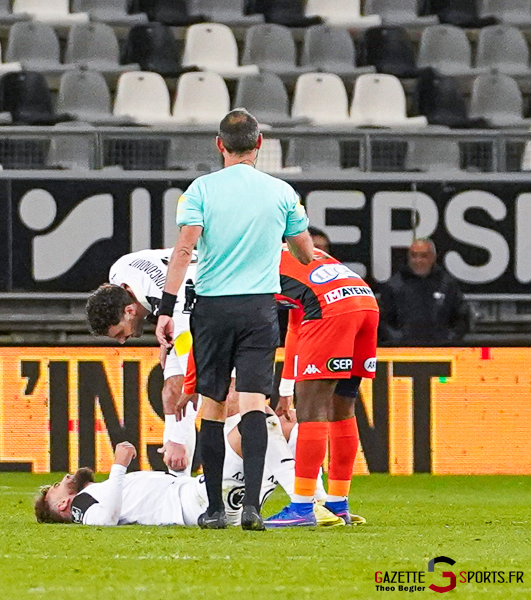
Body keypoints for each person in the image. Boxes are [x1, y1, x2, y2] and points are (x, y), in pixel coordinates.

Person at [155, 108, 314, 530]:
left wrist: (167, 310)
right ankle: (253, 510)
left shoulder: (199, 190)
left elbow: (184, 251)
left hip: (213, 308)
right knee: (253, 405)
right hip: (260, 309)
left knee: (210, 405)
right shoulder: (282, 192)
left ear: (219, 145)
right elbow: (305, 254)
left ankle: (213, 510)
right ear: (260, 144)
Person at [33, 411, 343, 527]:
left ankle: (316, 503)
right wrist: (118, 466)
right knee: (256, 422)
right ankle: (311, 501)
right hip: (200, 503)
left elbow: (154, 499)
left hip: (200, 498)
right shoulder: (83, 503)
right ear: (63, 504)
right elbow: (105, 520)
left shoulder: (100, 493)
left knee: (285, 428)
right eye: (56, 487)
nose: (61, 479)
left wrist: (176, 469)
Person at [265, 243, 378, 527]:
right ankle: (338, 504)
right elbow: (294, 327)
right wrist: (285, 388)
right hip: (365, 302)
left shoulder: (251, 258)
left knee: (311, 409)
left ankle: (302, 507)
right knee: (343, 407)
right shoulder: (296, 250)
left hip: (330, 308)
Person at [85, 248, 199, 476]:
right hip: (203, 306)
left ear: (129, 310)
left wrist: (176, 440)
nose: (121, 341)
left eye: (119, 332)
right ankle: (176, 487)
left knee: (232, 402)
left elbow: (195, 381)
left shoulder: (175, 308)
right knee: (171, 392)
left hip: (245, 291)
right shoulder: (118, 272)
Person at [379, 239, 469, 344]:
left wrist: (449, 340)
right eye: (414, 255)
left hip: (441, 352)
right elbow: (381, 320)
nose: (418, 260)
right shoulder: (394, 285)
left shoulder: (447, 285)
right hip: (404, 353)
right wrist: (397, 340)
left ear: (433, 257)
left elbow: (462, 318)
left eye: (423, 256)